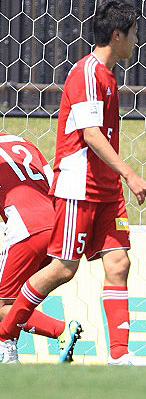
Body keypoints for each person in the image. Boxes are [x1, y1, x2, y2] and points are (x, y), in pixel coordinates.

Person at [0, 0, 146, 366]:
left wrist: (118, 179)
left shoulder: (109, 76)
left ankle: (120, 355)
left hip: (107, 190)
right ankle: (5, 337)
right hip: (79, 188)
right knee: (63, 270)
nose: (137, 40)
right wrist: (130, 173)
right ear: (117, 36)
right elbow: (90, 134)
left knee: (119, 263)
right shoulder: (85, 72)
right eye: (134, 33)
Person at [0, 133, 82, 364]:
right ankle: (8, 351)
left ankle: (60, 330)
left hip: (25, 229)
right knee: (17, 301)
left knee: (2, 305)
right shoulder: (21, 142)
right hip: (57, 225)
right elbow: (52, 179)